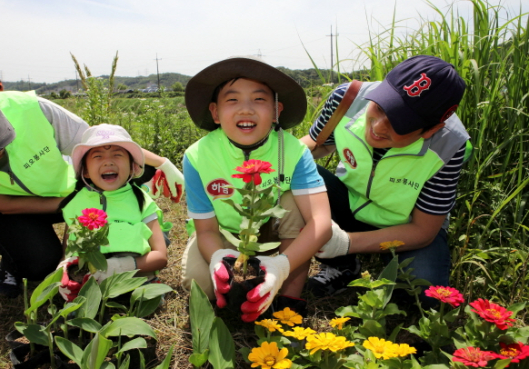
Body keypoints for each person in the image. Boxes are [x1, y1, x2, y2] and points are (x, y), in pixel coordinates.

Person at [0, 72, 184, 298]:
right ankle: (13, 259)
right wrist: (73, 207)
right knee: (40, 263)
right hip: (6, 211)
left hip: (63, 193)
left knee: (137, 171)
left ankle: (132, 231)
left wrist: (162, 163)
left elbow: (99, 144)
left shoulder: (32, 110)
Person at [300, 55, 471, 305]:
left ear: (431, 130)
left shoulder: (450, 144)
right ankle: (342, 267)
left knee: (423, 296)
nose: (378, 127)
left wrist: (347, 242)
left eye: (399, 124)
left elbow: (423, 231)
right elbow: (315, 145)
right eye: (380, 107)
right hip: (348, 204)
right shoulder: (347, 98)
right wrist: (268, 163)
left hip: (407, 226)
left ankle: (372, 260)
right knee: (295, 171)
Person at [180, 57, 333, 321]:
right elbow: (205, 229)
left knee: (294, 201)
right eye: (233, 100)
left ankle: (288, 298)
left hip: (275, 237)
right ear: (215, 113)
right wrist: (218, 256)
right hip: (223, 235)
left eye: (259, 99)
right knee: (200, 284)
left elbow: (321, 222)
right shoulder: (197, 157)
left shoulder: (294, 151)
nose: (246, 110)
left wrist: (281, 266)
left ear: (276, 111)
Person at [57, 124, 168, 302]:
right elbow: (68, 253)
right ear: (85, 169)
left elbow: (160, 257)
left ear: (132, 167)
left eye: (117, 154)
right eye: (97, 156)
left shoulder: (143, 202)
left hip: (134, 276)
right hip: (88, 281)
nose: (108, 162)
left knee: (142, 299)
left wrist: (119, 266)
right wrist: (63, 270)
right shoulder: (75, 204)